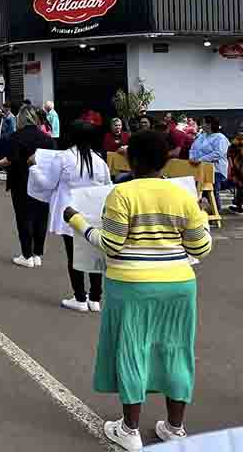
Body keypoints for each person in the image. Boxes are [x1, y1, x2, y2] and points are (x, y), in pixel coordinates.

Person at [63, 130, 212, 450]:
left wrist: (78, 222)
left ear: (132, 159)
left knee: (132, 349)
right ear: (165, 160)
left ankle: (129, 430)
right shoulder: (182, 196)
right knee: (176, 349)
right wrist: (199, 214)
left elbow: (111, 245)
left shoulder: (121, 194)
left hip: (131, 285)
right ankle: (175, 427)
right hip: (178, 286)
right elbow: (201, 248)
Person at [29, 121, 112, 312]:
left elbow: (48, 184)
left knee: (74, 256)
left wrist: (34, 168)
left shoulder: (65, 158)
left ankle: (80, 297)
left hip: (69, 213)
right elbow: (107, 187)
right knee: (93, 253)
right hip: (94, 213)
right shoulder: (99, 161)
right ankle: (95, 298)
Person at [0, 106, 55, 268]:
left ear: (21, 119)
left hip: (21, 181)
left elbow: (9, 159)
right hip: (42, 183)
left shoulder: (16, 137)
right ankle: (38, 254)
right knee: (41, 217)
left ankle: (26, 255)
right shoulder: (46, 138)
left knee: (24, 218)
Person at [189, 116, 230, 212]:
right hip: (199, 168)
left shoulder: (220, 138)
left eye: (203, 123)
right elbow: (193, 148)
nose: (201, 125)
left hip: (215, 169)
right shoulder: (202, 136)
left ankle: (216, 211)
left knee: (211, 190)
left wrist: (201, 160)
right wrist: (192, 158)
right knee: (198, 191)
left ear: (209, 124)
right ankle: (203, 211)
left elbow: (218, 153)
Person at [228, 126, 243, 214]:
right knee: (239, 186)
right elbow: (230, 154)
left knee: (240, 186)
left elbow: (230, 154)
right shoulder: (235, 142)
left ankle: (239, 204)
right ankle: (239, 204)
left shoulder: (235, 142)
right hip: (238, 166)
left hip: (238, 166)